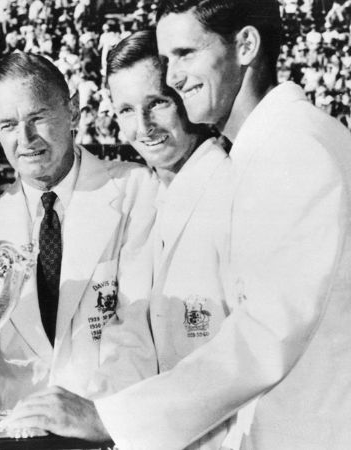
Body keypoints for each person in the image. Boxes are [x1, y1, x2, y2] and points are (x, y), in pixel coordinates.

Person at [3, 1, 351, 448]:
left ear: (246, 44)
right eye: (167, 61)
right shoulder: (269, 147)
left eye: (186, 54)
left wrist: (115, 419)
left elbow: (264, 336)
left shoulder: (292, 148)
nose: (173, 75)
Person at [0, 52, 158, 410]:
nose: (26, 138)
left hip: (108, 424)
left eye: (38, 117)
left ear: (73, 111)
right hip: (17, 433)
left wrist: (95, 417)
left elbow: (140, 332)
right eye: (8, 125)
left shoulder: (137, 191)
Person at [94, 30, 235, 449]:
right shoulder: (144, 197)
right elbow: (134, 334)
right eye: (125, 111)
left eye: (157, 103)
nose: (143, 127)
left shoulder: (233, 186)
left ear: (184, 97)